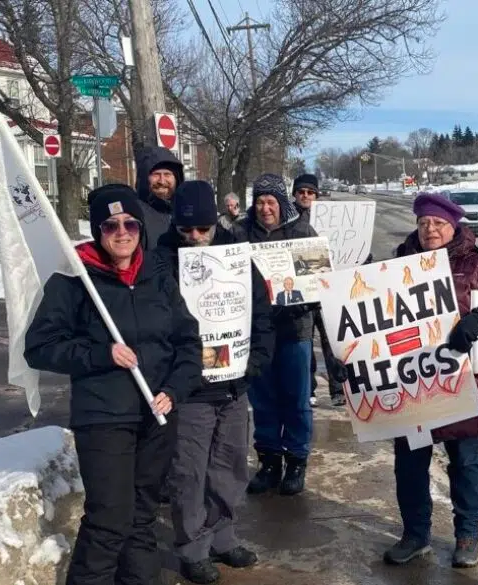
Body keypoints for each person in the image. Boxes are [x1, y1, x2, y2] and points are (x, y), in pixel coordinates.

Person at [24, 184, 202, 585]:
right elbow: (39, 348)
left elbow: (188, 342)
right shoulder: (75, 280)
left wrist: (174, 390)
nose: (122, 232)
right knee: (109, 520)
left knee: (141, 518)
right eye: (110, 225)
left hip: (156, 416)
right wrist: (101, 354)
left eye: (130, 224)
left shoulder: (158, 275)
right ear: (97, 229)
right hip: (104, 416)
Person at [381, 192, 478, 568]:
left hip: (462, 384)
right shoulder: (398, 264)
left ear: (453, 226)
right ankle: (415, 535)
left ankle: (467, 535)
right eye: (424, 223)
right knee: (409, 465)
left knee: (466, 463)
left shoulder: (476, 265)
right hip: (412, 382)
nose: (430, 230)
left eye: (438, 224)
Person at [155, 180, 276, 584]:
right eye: (186, 230)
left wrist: (256, 360)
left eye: (202, 229)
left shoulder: (237, 255)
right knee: (189, 470)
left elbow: (260, 311)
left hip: (234, 384)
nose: (194, 238)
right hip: (190, 389)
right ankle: (192, 546)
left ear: (214, 223)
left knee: (230, 465)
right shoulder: (161, 260)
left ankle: (223, 536)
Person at [241, 173, 323, 496]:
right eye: (260, 202)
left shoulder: (302, 232)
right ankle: (269, 460)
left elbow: (319, 281)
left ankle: (297, 460)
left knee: (297, 398)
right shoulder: (240, 233)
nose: (265, 209)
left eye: (271, 202)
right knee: (262, 398)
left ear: (281, 203)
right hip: (256, 331)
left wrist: (299, 300)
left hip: (295, 329)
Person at [290, 172, 354, 408]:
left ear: (316, 195)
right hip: (303, 290)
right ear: (295, 194)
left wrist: (357, 257)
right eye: (301, 192)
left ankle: (338, 389)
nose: (305, 196)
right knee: (305, 341)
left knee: (331, 342)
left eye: (310, 192)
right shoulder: (287, 220)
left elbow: (347, 246)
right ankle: (310, 389)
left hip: (329, 290)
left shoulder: (331, 219)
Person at [135, 145, 185, 249]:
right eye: (156, 174)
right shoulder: (135, 213)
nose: (162, 181)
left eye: (167, 174)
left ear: (177, 178)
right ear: (145, 178)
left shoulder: (186, 210)